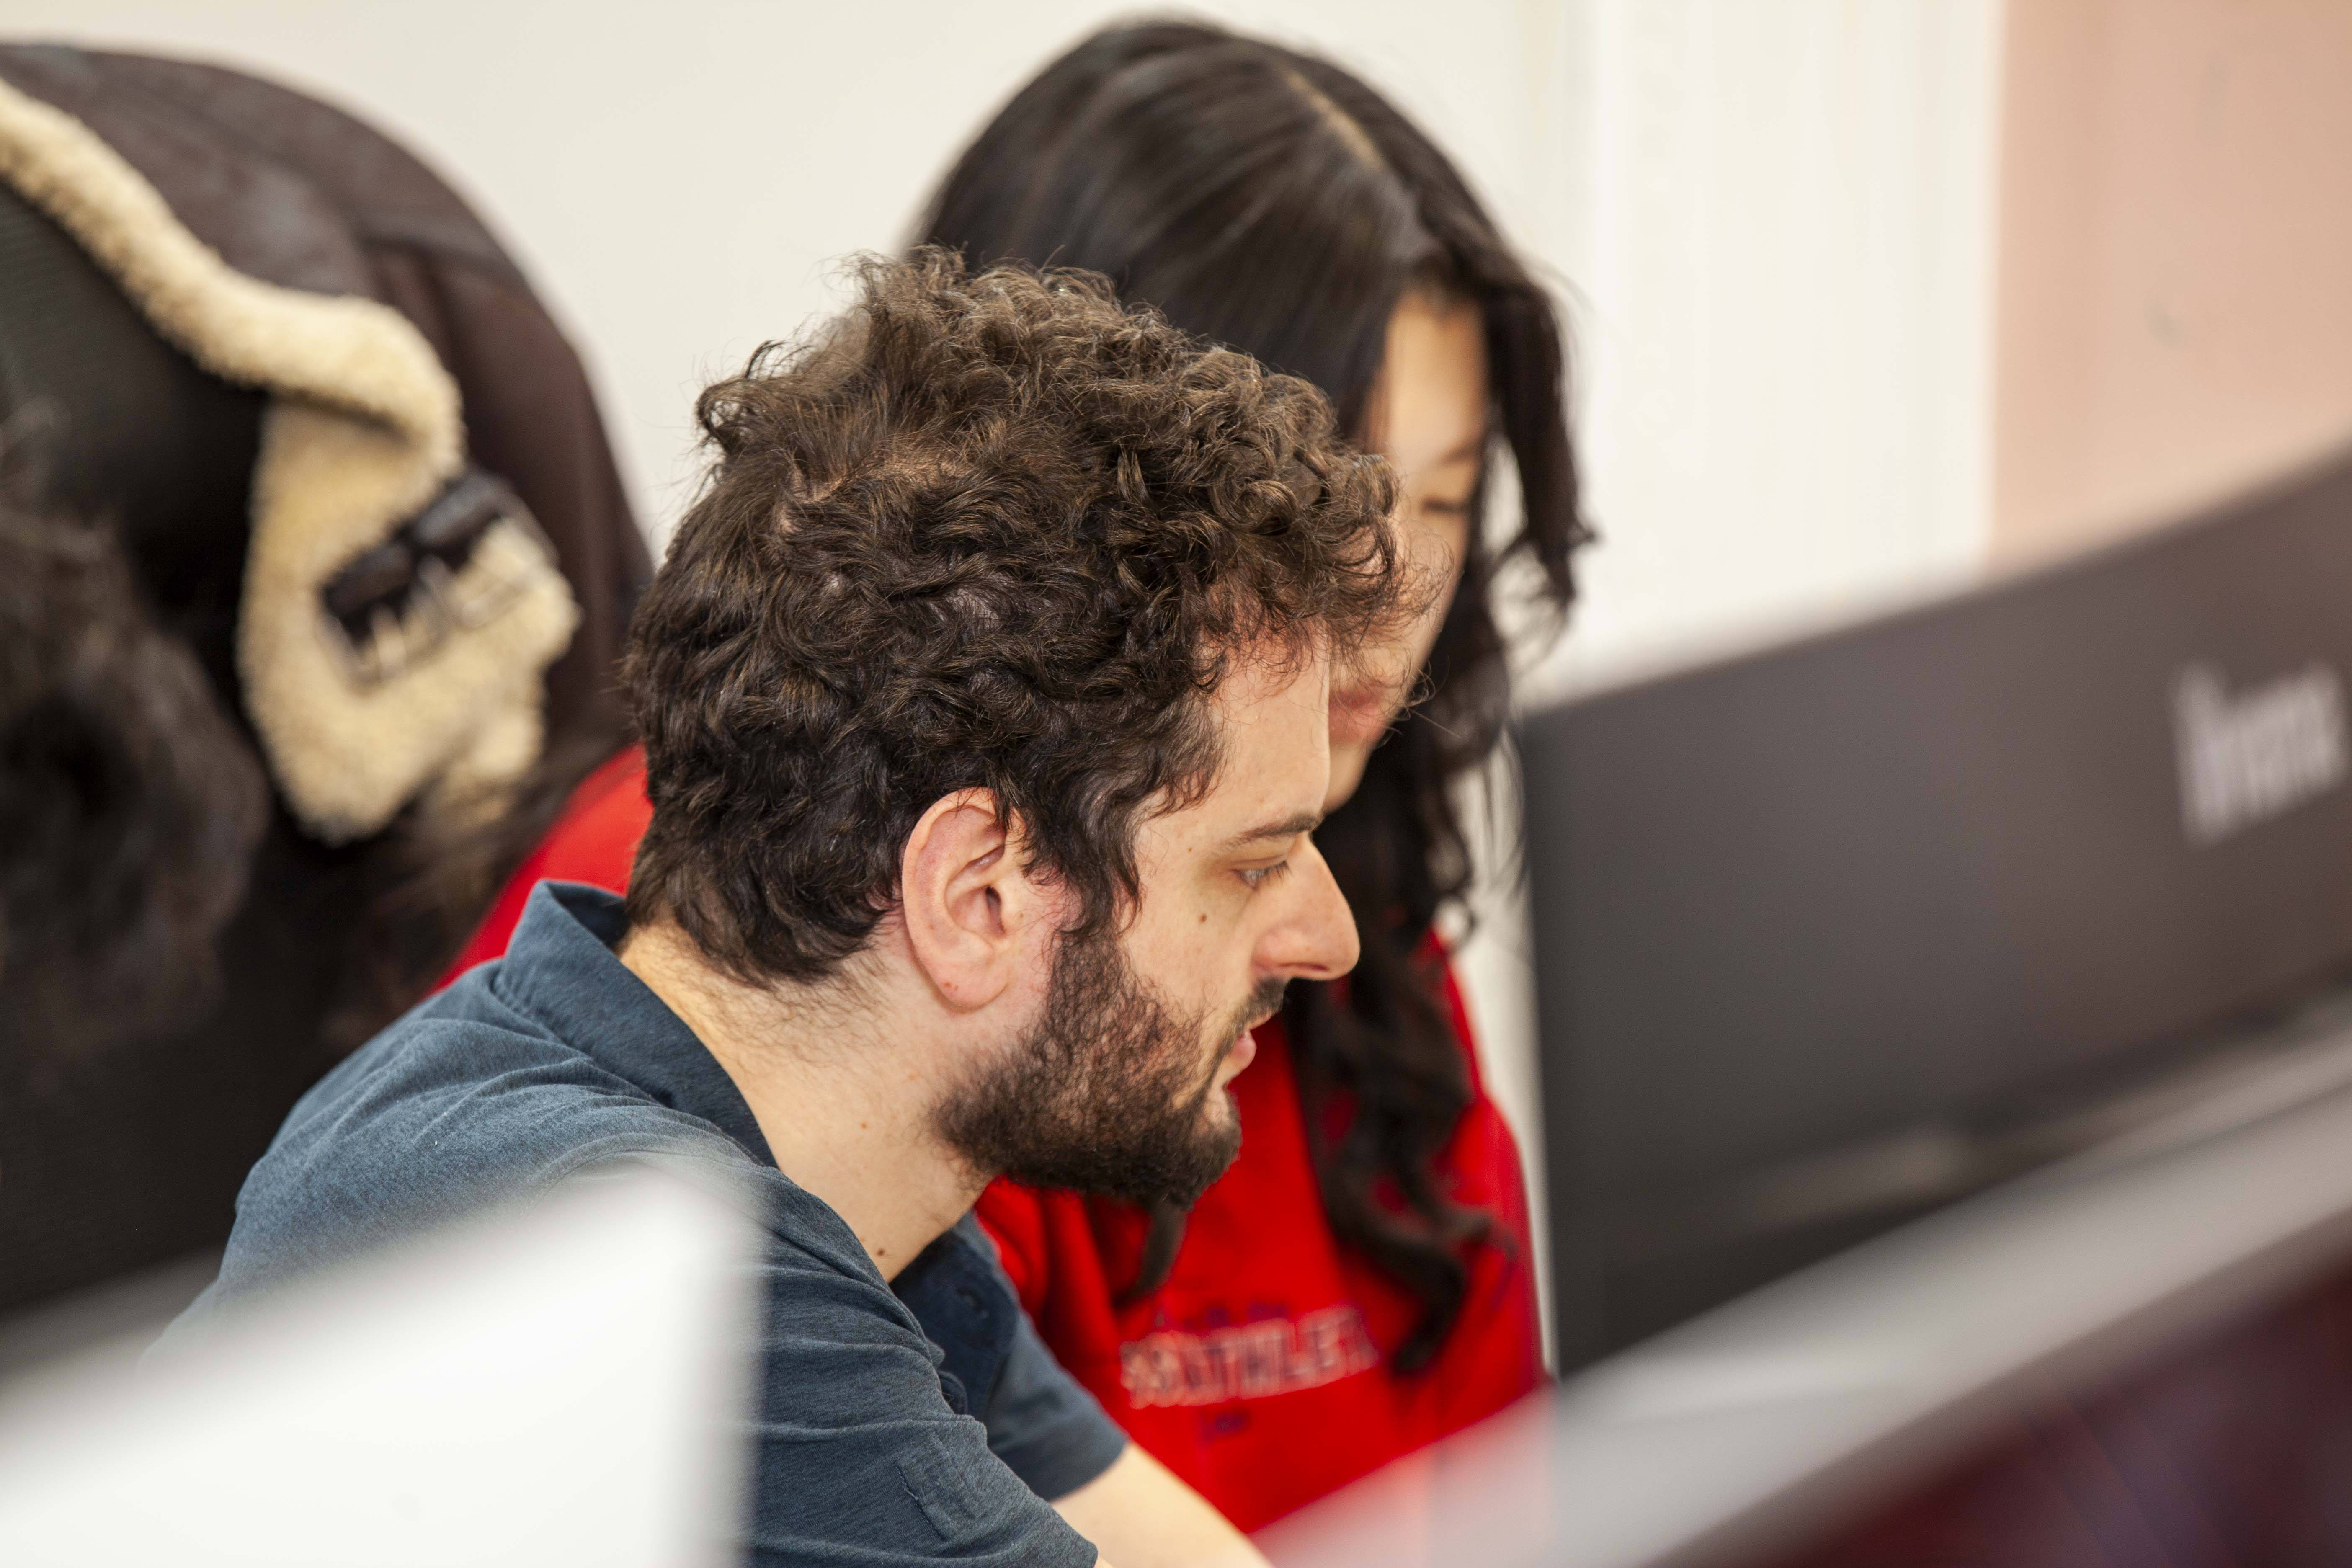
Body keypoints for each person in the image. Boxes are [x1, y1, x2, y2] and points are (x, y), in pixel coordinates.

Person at [439, 20, 1587, 1531]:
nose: (1393, 597)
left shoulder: (1344, 891)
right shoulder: (785, 969)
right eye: (1325, 495)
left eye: (1444, 499)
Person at [170, 253, 1411, 1567]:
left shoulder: (751, 1164)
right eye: (1255, 863)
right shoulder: (669, 1292)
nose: (1327, 940)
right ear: (977, 893)